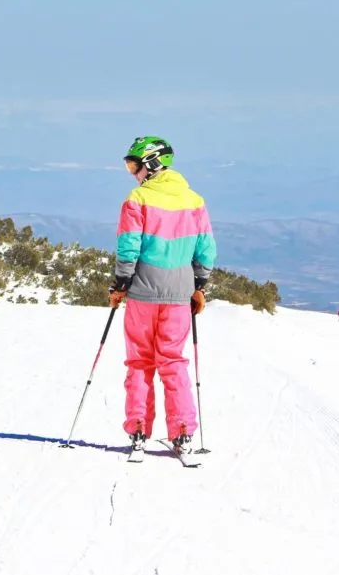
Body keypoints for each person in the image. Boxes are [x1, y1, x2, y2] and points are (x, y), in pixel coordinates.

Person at [107, 135, 217, 453]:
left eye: (134, 165)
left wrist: (121, 284)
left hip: (142, 293)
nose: (132, 172)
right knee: (173, 361)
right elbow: (206, 248)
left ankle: (138, 428)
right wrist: (199, 284)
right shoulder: (194, 201)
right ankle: (182, 431)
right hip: (180, 295)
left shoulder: (138, 198)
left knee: (140, 361)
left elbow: (129, 245)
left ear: (153, 163)